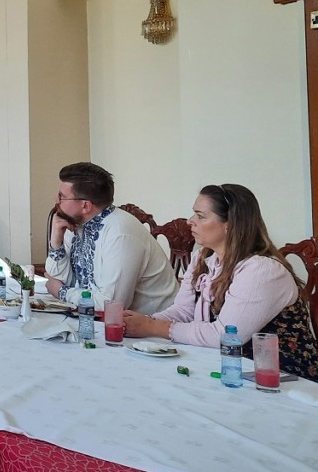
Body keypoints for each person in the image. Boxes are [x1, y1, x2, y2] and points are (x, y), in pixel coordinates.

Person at [123, 184, 318, 379]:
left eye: (200, 216)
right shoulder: (204, 258)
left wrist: (152, 327)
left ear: (230, 224)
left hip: (283, 379)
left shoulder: (262, 270)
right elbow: (183, 311)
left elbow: (226, 336)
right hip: (227, 368)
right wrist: (141, 322)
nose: (190, 221)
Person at [45, 162, 178, 312]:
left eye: (62, 197)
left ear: (85, 206)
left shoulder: (120, 233)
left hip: (152, 327)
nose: (56, 201)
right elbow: (59, 280)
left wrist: (61, 292)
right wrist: (56, 241)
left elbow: (111, 304)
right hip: (100, 321)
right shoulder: (75, 223)